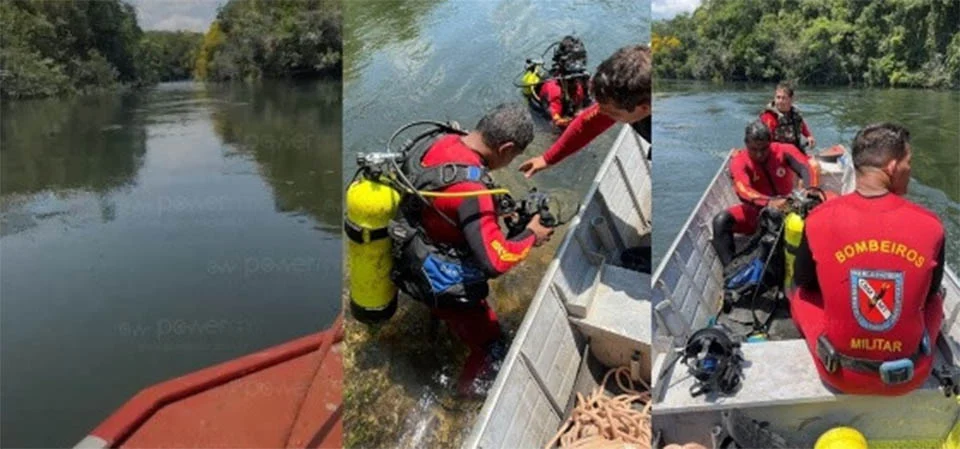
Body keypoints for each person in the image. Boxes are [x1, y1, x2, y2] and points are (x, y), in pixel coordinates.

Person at [392, 103, 554, 396]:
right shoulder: (473, 190)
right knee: (493, 345)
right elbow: (496, 261)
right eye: (514, 155)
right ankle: (466, 396)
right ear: (506, 148)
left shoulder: (443, 139)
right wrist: (531, 234)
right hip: (440, 278)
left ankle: (436, 332)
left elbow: (447, 204)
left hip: (409, 251)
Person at [790, 123, 945, 396]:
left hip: (841, 375)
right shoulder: (931, 225)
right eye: (909, 162)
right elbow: (929, 293)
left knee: (799, 293)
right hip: (909, 376)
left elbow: (804, 281)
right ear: (893, 167)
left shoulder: (818, 219)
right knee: (937, 300)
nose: (910, 170)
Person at [519, 44, 652, 178]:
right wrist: (547, 159)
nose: (601, 113)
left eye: (613, 114)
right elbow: (588, 124)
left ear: (644, 108)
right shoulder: (629, 101)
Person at [710, 121, 819, 267]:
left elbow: (806, 167)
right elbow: (743, 190)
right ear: (746, 144)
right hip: (758, 214)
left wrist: (809, 189)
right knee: (720, 221)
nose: (759, 154)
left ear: (770, 142)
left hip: (790, 207)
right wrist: (769, 203)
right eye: (753, 149)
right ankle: (731, 272)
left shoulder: (784, 150)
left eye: (764, 149)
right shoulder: (739, 161)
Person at [534, 35, 592, 129]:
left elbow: (592, 101)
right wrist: (580, 118)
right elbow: (554, 123)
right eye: (572, 61)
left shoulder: (584, 79)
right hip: (556, 119)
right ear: (562, 62)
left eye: (581, 59)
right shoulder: (552, 88)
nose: (577, 65)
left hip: (571, 111)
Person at [759, 82, 816, 152]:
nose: (780, 101)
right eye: (778, 97)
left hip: (795, 151)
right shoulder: (768, 117)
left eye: (784, 98)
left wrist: (809, 136)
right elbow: (764, 143)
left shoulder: (795, 114)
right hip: (775, 154)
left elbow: (801, 125)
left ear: (791, 99)